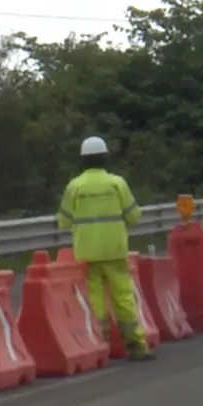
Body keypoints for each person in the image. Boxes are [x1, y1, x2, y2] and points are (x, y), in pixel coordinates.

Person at [56, 136, 152, 361]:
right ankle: (135, 345)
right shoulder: (117, 183)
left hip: (86, 253)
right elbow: (134, 216)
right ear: (105, 157)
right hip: (114, 250)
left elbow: (64, 221)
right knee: (123, 297)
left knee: (94, 299)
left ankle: (100, 346)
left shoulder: (74, 187)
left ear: (82, 159)